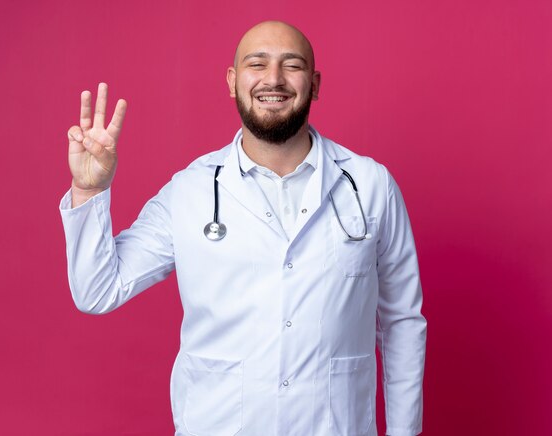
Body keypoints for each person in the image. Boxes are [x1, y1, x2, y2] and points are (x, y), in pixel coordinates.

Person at [60, 21, 426, 436]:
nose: (273, 79)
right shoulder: (191, 191)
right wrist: (88, 189)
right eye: (257, 64)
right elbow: (97, 290)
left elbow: (402, 323)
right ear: (233, 82)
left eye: (292, 65)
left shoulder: (370, 186)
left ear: (315, 83)